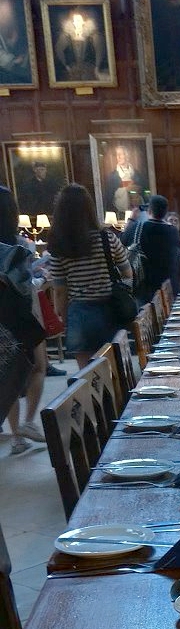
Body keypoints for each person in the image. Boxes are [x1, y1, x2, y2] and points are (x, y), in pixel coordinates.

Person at [47, 183, 132, 369]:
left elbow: (60, 290)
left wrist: (63, 317)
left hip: (79, 312)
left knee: (87, 373)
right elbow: (127, 272)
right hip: (109, 308)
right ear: (89, 208)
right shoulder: (106, 238)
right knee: (114, 369)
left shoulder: (58, 245)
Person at [0, 186, 47, 454]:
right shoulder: (18, 246)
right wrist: (42, 279)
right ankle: (30, 421)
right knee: (39, 366)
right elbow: (25, 286)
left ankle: (17, 436)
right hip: (21, 315)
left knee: (8, 374)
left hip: (1, 319)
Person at [133, 194, 180, 303]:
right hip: (170, 282)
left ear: (149, 210)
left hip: (147, 284)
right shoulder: (173, 231)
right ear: (165, 212)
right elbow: (179, 257)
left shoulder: (140, 227)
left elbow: (123, 241)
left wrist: (131, 219)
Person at [53, 8, 106, 82]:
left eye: (79, 21)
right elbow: (59, 50)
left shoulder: (94, 37)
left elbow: (99, 51)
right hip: (72, 69)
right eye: (75, 21)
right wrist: (66, 66)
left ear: (83, 22)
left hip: (89, 68)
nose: (77, 23)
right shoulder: (65, 36)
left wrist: (97, 67)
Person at [103, 145, 147, 214]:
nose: (118, 157)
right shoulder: (113, 176)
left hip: (137, 211)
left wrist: (136, 189)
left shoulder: (137, 174)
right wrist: (126, 187)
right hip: (120, 211)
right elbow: (109, 197)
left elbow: (144, 190)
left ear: (127, 156)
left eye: (120, 154)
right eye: (117, 155)